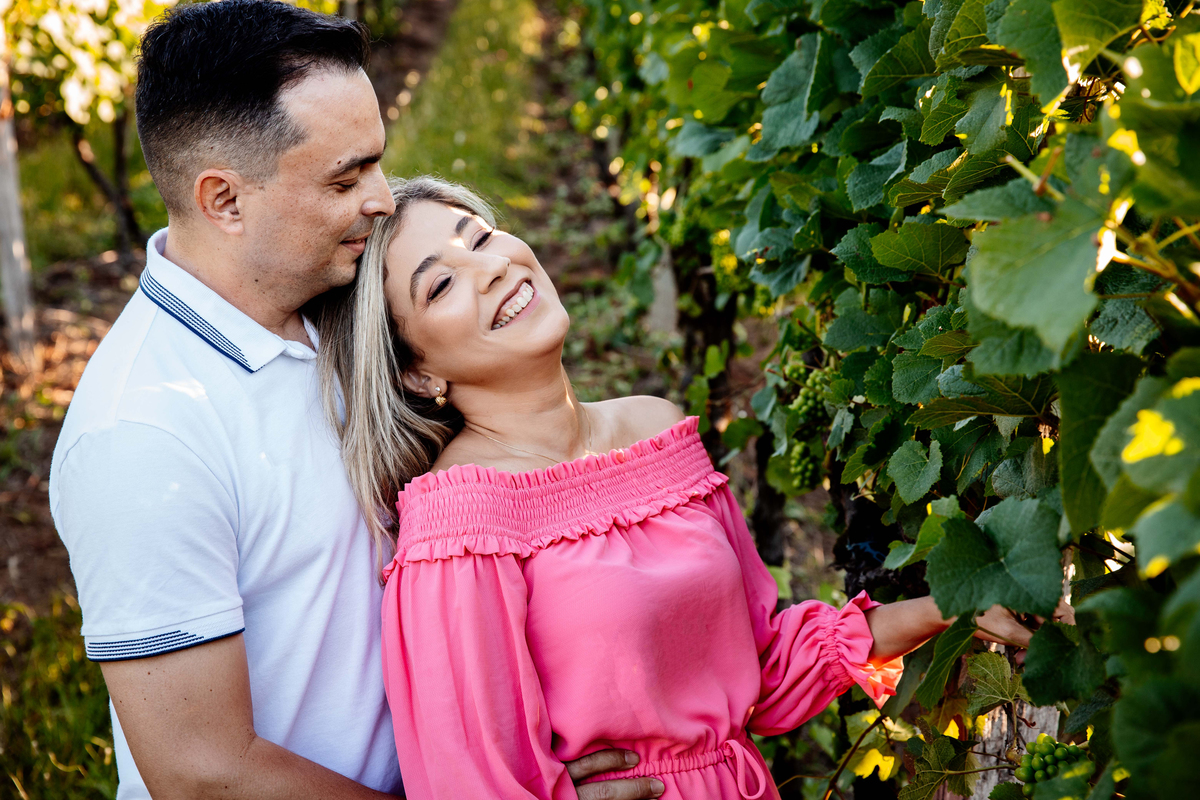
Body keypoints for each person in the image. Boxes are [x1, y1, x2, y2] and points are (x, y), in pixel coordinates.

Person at [49, 3, 658, 799]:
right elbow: (204, 773)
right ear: (224, 201)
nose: (382, 199)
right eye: (345, 177)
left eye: (376, 162)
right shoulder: (143, 433)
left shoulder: (343, 311)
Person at [312, 176, 1075, 799]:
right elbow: (470, 782)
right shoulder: (458, 527)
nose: (490, 266)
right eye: (442, 283)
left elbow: (765, 666)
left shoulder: (657, 431)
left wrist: (948, 606)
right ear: (418, 370)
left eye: (479, 237)